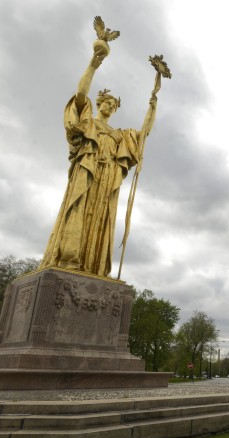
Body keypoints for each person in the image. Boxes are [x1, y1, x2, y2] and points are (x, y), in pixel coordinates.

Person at [40, 39, 156, 277]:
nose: (111, 106)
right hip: (87, 172)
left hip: (107, 178)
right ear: (100, 103)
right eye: (107, 102)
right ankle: (68, 260)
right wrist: (93, 65)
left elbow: (144, 134)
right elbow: (80, 94)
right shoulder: (88, 123)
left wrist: (152, 105)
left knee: (101, 219)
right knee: (79, 211)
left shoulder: (119, 135)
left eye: (114, 105)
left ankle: (92, 266)